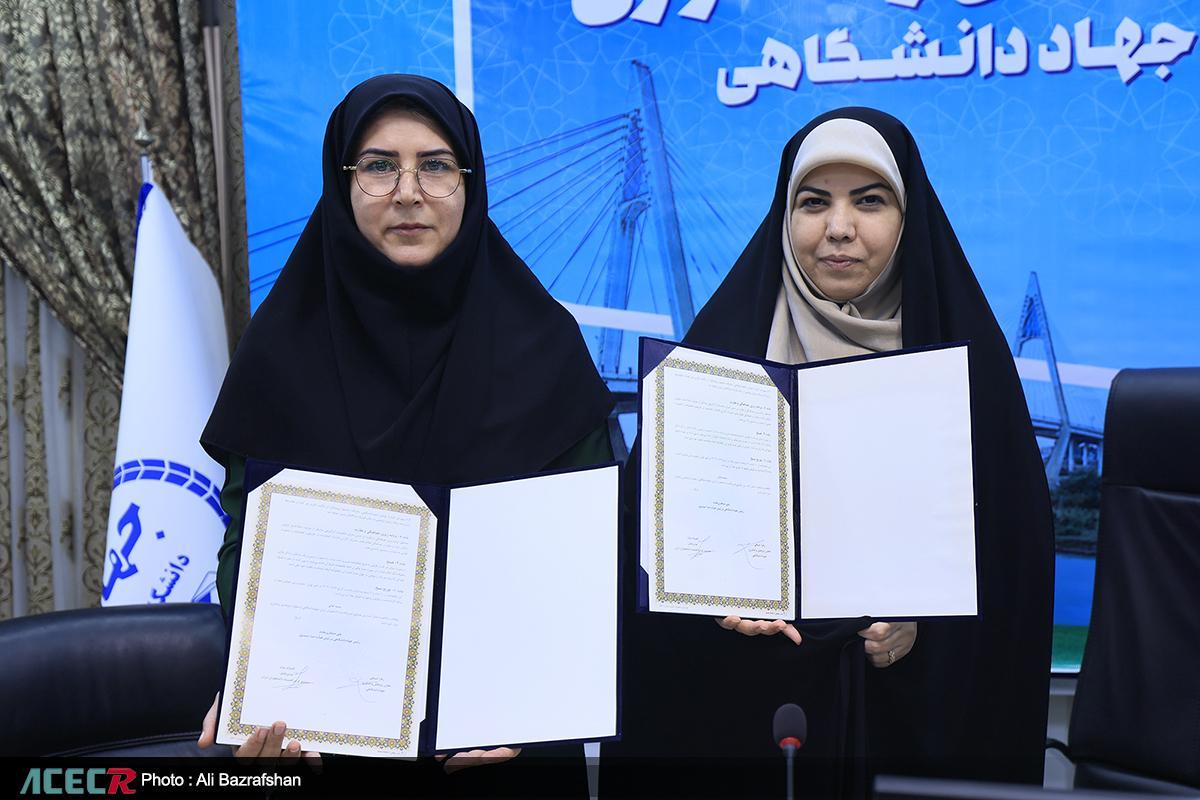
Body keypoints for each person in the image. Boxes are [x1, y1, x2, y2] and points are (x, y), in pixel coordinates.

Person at [602, 107, 1054, 798]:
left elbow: (1013, 572)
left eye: (869, 201)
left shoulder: (973, 375)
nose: (839, 228)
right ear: (784, 218)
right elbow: (640, 558)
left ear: (908, 217)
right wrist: (703, 601)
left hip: (907, 732)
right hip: (746, 725)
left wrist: (927, 624)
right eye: (813, 203)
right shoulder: (714, 360)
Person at [195, 74, 613, 795]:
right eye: (380, 166)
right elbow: (244, 548)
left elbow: (591, 555)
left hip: (508, 750)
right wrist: (249, 682)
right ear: (342, 183)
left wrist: (534, 701)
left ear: (470, 183)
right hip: (321, 747)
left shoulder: (546, 348)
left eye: (437, 166)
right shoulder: (280, 352)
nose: (409, 192)